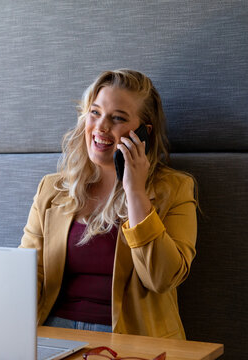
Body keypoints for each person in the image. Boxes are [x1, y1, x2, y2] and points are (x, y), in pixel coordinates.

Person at [20, 69, 197, 339]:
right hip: (54, 332)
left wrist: (135, 192)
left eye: (117, 118)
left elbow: (161, 278)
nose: (101, 127)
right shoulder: (51, 189)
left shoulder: (174, 190)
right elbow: (28, 274)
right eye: (95, 112)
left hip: (133, 341)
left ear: (143, 133)